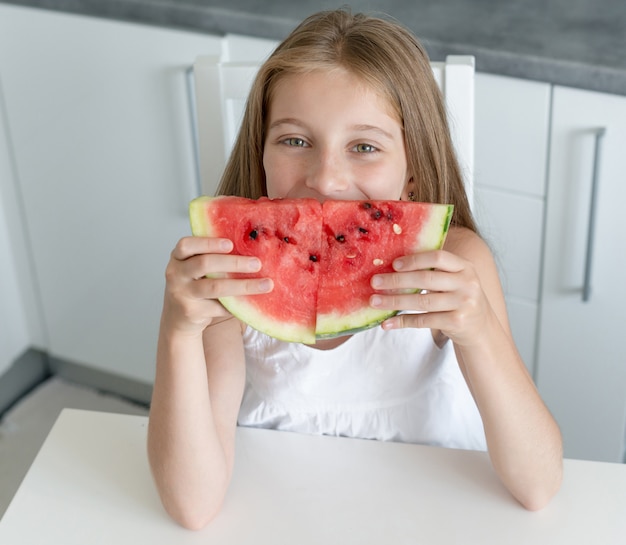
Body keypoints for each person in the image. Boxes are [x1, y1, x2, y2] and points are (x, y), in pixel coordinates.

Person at [147, 8, 562, 530]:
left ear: (414, 168)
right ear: (262, 155)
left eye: (364, 147)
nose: (326, 180)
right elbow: (192, 506)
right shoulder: (235, 274)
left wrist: (479, 332)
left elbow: (539, 484)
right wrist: (178, 330)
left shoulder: (454, 268)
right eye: (295, 141)